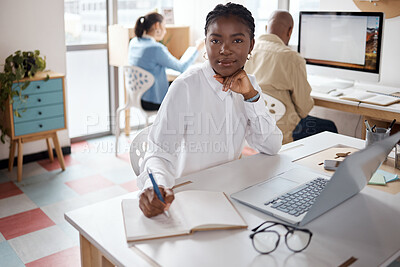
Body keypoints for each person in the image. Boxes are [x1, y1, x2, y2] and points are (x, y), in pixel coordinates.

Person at [137, 3, 283, 218]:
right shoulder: (185, 86)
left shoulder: (249, 85)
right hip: (191, 197)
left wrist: (251, 97)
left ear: (251, 45)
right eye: (215, 40)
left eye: (237, 40)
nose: (225, 50)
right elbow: (159, 152)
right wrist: (156, 186)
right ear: (205, 43)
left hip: (233, 192)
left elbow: (271, 146)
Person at [245, 10, 337, 144]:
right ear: (290, 31)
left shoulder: (247, 50)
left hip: (252, 128)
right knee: (329, 127)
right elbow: (304, 108)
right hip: (282, 131)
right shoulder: (291, 58)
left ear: (266, 28)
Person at [128, 12, 204, 111]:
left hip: (137, 97)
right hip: (153, 101)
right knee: (190, 87)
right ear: (157, 25)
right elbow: (182, 67)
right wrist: (198, 49)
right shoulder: (156, 48)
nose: (165, 31)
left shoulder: (134, 42)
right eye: (164, 26)